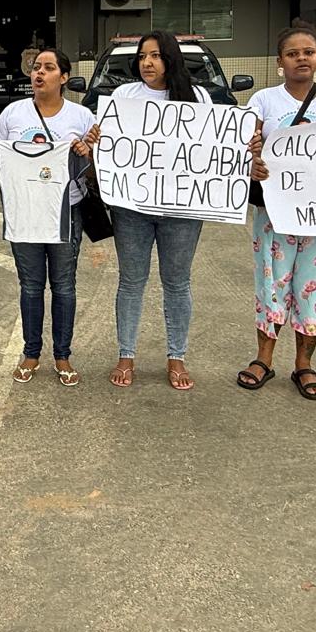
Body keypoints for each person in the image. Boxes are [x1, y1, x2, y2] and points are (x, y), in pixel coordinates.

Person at [240, 23, 316, 399]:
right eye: (292, 54)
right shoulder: (264, 101)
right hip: (275, 212)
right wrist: (253, 161)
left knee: (315, 287)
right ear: (280, 61)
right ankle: (263, 359)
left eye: (308, 51)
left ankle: (304, 364)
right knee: (272, 283)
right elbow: (245, 145)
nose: (301, 58)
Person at [91, 31, 212, 391]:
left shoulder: (198, 97)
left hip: (182, 208)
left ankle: (177, 357)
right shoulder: (123, 97)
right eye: (143, 56)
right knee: (131, 281)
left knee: (177, 282)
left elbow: (211, 148)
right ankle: (126, 355)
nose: (147, 62)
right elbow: (110, 148)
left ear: (170, 59)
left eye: (156, 56)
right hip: (132, 208)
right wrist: (98, 142)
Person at [0, 49, 94, 386]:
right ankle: (31, 353)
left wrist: (87, 153)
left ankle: (62, 355)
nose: (39, 73)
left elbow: (95, 170)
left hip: (65, 213)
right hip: (25, 212)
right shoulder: (13, 114)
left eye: (48, 67)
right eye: (35, 67)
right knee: (30, 286)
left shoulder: (81, 116)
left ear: (64, 77)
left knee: (64, 286)